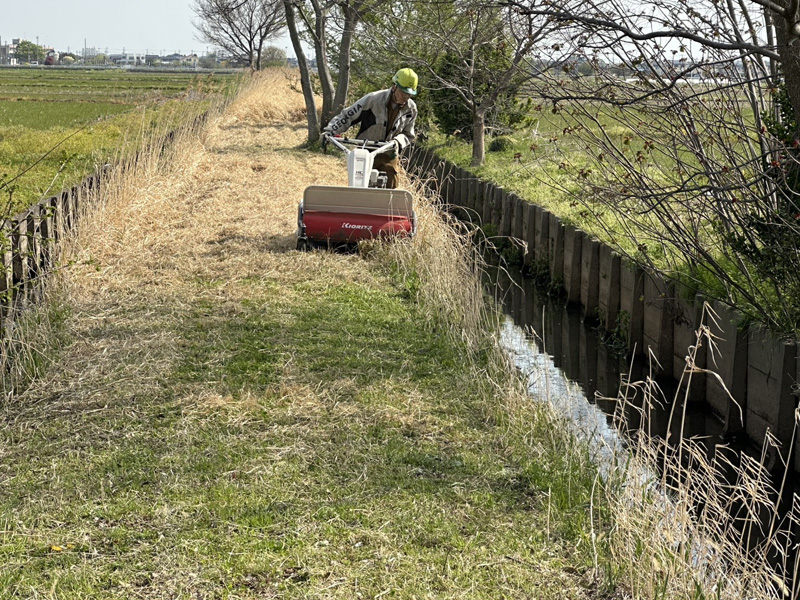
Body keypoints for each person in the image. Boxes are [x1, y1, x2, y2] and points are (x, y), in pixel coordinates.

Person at [323, 68, 418, 189]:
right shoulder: (373, 99)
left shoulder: (411, 109)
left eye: (409, 94)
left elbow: (408, 134)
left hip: (388, 152)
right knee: (359, 185)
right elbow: (348, 116)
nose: (406, 97)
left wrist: (397, 142)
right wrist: (331, 131)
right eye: (403, 92)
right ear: (394, 87)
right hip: (366, 150)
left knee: (391, 185)